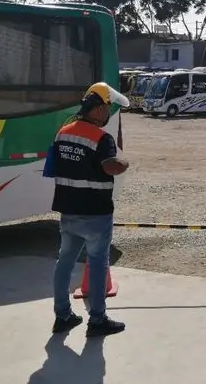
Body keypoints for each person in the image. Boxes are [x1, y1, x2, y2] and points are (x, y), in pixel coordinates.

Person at [46, 82, 131, 337]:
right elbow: (110, 166)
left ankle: (62, 316)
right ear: (96, 110)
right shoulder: (101, 138)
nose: (107, 114)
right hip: (95, 213)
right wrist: (123, 162)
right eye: (106, 108)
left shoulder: (63, 132)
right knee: (97, 265)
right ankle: (97, 320)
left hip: (68, 211)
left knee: (65, 262)